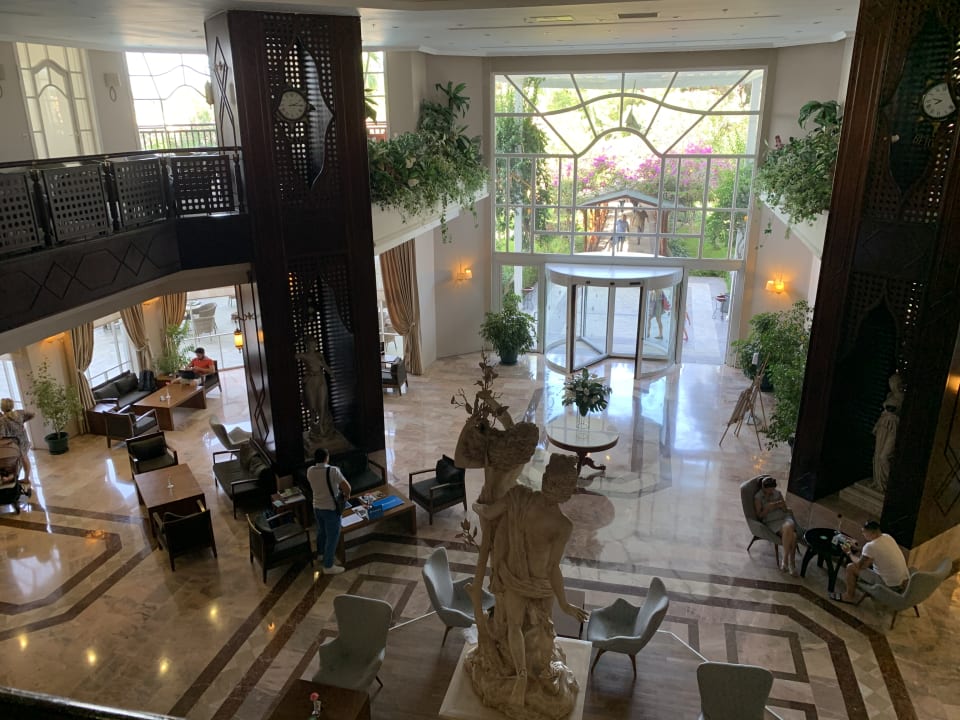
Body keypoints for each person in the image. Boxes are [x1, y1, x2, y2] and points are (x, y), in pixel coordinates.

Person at [472, 453, 588, 705]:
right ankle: (532, 672)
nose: (549, 485)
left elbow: (489, 512)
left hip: (524, 580)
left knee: (524, 627)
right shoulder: (558, 522)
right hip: (532, 582)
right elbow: (553, 567)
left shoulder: (522, 499)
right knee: (536, 627)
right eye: (550, 480)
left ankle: (528, 672)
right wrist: (564, 604)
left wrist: (478, 506)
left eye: (554, 482)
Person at [833, 520, 909, 603]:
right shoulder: (887, 537)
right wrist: (858, 549)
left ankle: (849, 596)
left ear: (872, 533)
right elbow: (873, 553)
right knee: (869, 563)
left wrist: (848, 552)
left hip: (889, 586)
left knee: (850, 567)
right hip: (904, 583)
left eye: (864, 532)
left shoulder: (870, 546)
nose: (863, 534)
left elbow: (859, 565)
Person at [306, 447, 351, 575]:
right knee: (333, 537)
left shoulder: (310, 470)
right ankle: (328, 565)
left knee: (321, 531)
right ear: (327, 458)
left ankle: (320, 554)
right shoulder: (333, 470)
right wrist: (347, 496)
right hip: (331, 509)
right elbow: (347, 487)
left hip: (317, 507)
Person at [754, 475, 799, 575]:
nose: (771, 491)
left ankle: (785, 560)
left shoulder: (777, 493)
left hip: (784, 517)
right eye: (769, 489)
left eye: (773, 489)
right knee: (794, 536)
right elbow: (759, 516)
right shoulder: (758, 497)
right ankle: (791, 563)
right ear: (763, 488)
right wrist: (767, 509)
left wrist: (781, 505)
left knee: (788, 526)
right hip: (772, 521)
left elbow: (785, 509)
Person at [871, 373, 903, 492]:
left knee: (884, 456)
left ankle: (889, 484)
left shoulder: (902, 397)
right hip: (883, 425)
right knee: (877, 453)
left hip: (893, 426)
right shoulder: (889, 395)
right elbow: (884, 412)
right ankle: (878, 481)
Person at [296, 336, 334, 436]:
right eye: (310, 344)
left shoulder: (319, 355)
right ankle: (312, 423)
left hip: (320, 380)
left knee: (322, 404)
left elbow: (325, 366)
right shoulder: (304, 355)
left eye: (314, 344)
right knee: (312, 406)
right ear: (306, 345)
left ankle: (321, 425)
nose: (312, 346)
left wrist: (331, 373)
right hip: (310, 381)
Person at [0, 398, 34, 481]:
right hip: (24, 440)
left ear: (2, 407)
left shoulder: (3, 420)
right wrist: (23, 421)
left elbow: (1, 435)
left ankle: (13, 477)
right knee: (23, 458)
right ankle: (25, 478)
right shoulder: (19, 413)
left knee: (15, 461)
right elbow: (32, 414)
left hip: (13, 443)